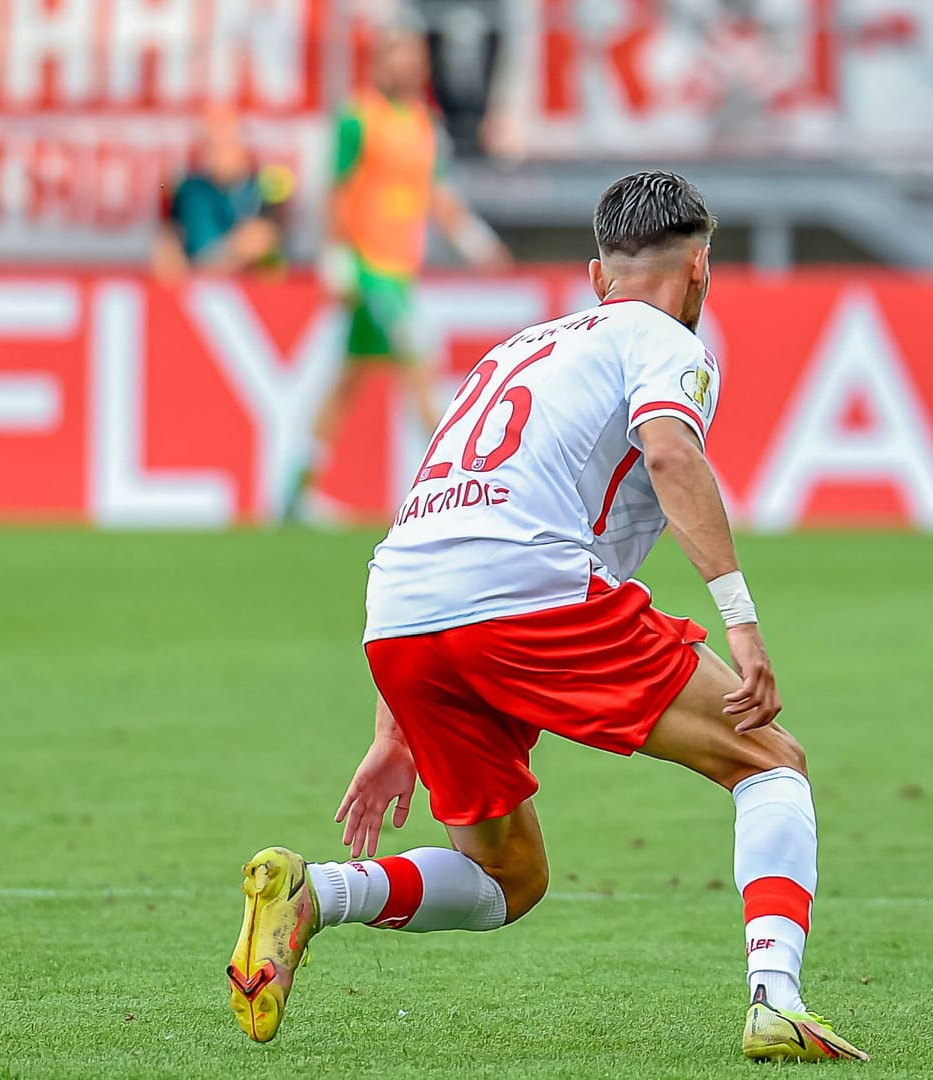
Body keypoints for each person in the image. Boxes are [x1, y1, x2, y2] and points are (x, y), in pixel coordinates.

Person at [226, 171, 868, 1063]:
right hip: (524, 594)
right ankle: (776, 997)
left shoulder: (512, 353)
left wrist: (394, 725)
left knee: (507, 876)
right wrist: (742, 621)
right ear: (701, 271)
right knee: (770, 761)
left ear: (598, 277)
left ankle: (317, 893)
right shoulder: (663, 338)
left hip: (399, 612)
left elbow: (435, 511)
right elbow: (673, 456)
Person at [285, 24, 512, 523]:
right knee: (419, 367)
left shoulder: (423, 125)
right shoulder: (358, 119)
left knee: (347, 382)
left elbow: (438, 196)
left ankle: (295, 491)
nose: (405, 66)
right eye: (396, 56)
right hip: (369, 270)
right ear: (380, 62)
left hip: (399, 270)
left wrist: (476, 240)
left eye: (412, 58)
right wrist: (336, 256)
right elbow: (338, 191)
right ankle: (456, 495)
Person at [150, 108, 291, 283]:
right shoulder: (188, 191)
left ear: (243, 149)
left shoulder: (266, 190)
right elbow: (170, 243)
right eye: (211, 146)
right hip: (195, 290)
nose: (217, 154)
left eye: (225, 145)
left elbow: (268, 251)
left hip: (245, 294)